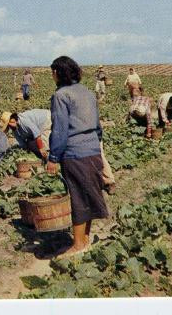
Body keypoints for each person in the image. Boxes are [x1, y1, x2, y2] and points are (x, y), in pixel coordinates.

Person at [47, 56, 109, 258]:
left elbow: (60, 130)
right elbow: (98, 125)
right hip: (92, 149)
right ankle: (84, 240)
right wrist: (95, 144)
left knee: (78, 198)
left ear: (58, 73)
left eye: (53, 72)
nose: (52, 76)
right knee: (88, 194)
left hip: (74, 152)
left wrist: (53, 157)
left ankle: (77, 245)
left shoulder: (61, 95)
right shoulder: (87, 92)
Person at [1, 110, 116, 193]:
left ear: (13, 119)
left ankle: (109, 182)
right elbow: (23, 143)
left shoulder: (26, 121)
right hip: (76, 132)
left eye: (10, 124)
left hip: (90, 133)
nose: (10, 127)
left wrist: (43, 149)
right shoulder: (16, 129)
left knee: (97, 155)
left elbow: (37, 134)